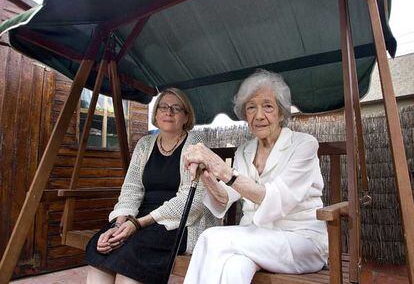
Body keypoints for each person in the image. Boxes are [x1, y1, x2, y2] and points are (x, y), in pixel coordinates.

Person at [182, 70, 328, 284]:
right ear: (245, 115)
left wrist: (221, 168)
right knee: (233, 267)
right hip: (254, 239)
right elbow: (225, 198)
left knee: (210, 237)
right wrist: (207, 174)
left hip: (300, 240)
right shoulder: (244, 151)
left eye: (268, 106)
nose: (259, 115)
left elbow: (276, 198)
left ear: (281, 113)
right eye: (251, 107)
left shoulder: (304, 145)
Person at [85, 88, 217, 284]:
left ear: (186, 116)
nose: (168, 112)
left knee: (133, 251)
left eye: (176, 108)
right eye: (163, 107)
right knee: (103, 245)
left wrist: (138, 224)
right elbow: (131, 189)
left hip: (180, 222)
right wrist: (119, 224)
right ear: (155, 113)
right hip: (139, 219)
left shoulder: (196, 145)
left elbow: (191, 202)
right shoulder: (145, 144)